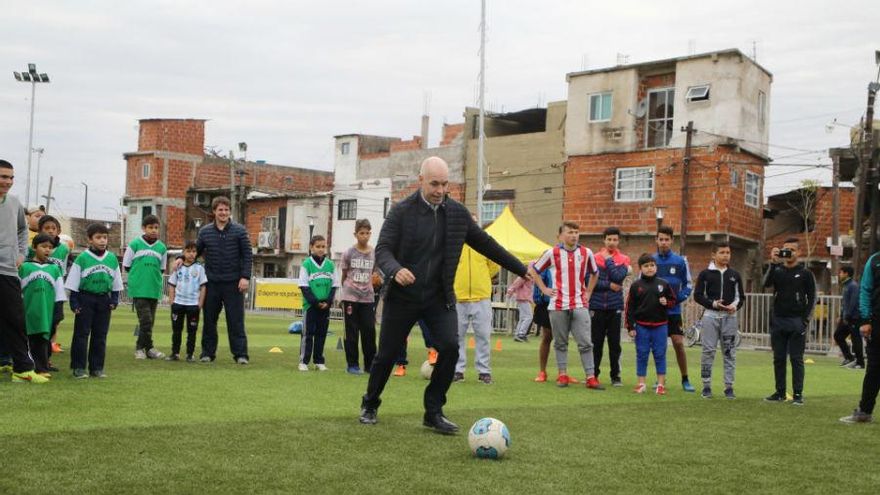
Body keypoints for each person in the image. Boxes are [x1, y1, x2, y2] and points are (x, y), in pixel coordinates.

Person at [359, 156, 527, 434]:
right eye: (434, 184)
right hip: (403, 297)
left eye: (444, 184)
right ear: (421, 180)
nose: (439, 190)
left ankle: (433, 411)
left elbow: (487, 244)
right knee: (386, 354)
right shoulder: (401, 212)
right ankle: (370, 403)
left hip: (439, 298)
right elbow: (383, 250)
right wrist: (395, 269)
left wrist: (521, 269)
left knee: (450, 347)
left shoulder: (457, 214)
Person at [529, 221, 604, 390]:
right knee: (560, 342)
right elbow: (534, 269)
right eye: (570, 232)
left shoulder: (586, 252)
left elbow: (595, 273)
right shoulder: (552, 253)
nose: (574, 235)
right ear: (561, 236)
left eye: (576, 232)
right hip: (557, 304)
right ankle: (562, 374)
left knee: (585, 342)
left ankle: (591, 377)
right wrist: (543, 288)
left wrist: (589, 292)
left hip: (579, 303)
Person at [0, 159, 48, 384]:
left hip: (8, 270)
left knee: (16, 320)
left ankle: (22, 369)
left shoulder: (14, 203)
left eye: (10, 177)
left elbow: (22, 228)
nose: (7, 182)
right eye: (3, 176)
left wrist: (20, 252)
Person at [196, 196, 252, 364]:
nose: (223, 213)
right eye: (220, 210)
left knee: (236, 321)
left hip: (234, 283)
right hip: (211, 283)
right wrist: (180, 258)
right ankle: (207, 353)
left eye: (226, 210)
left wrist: (245, 277)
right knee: (209, 320)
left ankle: (241, 355)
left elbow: (248, 255)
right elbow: (195, 251)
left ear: (230, 212)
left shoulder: (240, 230)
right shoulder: (205, 231)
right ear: (214, 212)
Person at [65, 223, 124, 379]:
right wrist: (74, 303)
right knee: (81, 335)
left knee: (100, 335)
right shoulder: (83, 258)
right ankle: (78, 367)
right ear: (90, 239)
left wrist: (114, 299)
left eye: (105, 237)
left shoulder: (111, 258)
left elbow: (116, 282)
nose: (102, 240)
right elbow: (73, 283)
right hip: (86, 298)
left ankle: (96, 368)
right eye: (98, 237)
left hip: (103, 299)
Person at [762, 237, 816, 406]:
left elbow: (812, 297)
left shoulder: (806, 273)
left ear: (799, 252)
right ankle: (780, 392)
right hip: (779, 320)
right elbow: (766, 284)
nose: (788, 253)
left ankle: (798, 394)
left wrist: (805, 320)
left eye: (792, 250)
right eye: (785, 249)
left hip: (796, 321)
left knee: (796, 359)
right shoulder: (777, 270)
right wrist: (772, 263)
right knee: (778, 358)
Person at [693, 241, 745, 399]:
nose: (725, 256)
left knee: (729, 352)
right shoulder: (705, 274)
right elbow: (698, 296)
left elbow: (740, 297)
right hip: (710, 317)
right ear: (713, 255)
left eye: (728, 252)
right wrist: (714, 304)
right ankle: (706, 385)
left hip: (730, 318)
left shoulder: (734, 275)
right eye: (722, 252)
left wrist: (734, 307)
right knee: (708, 351)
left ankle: (729, 387)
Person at [625, 253, 676, 395]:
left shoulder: (663, 284)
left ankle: (660, 384)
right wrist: (630, 326)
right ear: (640, 268)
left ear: (656, 266)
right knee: (642, 354)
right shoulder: (636, 286)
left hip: (660, 326)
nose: (649, 268)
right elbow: (629, 307)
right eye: (646, 266)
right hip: (642, 326)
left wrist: (667, 302)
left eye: (652, 265)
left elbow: (673, 301)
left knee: (660, 354)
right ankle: (641, 383)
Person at [839, 252, 880, 423]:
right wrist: (865, 320)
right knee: (874, 369)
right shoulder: (875, 260)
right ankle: (864, 411)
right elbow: (865, 290)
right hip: (877, 322)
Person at [654, 226, 695, 392]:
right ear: (656, 240)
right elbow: (642, 284)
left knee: (678, 343)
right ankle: (660, 380)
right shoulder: (651, 260)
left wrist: (674, 300)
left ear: (671, 241)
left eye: (666, 239)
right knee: (659, 346)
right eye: (661, 239)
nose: (663, 242)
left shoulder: (680, 261)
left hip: (674, 311)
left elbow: (688, 285)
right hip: (656, 312)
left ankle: (685, 379)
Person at [20, 233, 67, 376]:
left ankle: (42, 368)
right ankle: (27, 368)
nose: (47, 250)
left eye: (50, 247)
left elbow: (59, 292)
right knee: (27, 340)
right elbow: (18, 291)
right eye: (43, 246)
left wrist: (59, 312)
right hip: (28, 311)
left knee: (42, 339)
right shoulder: (25, 267)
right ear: (34, 247)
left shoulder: (54, 269)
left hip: (47, 311)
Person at [590, 226, 631, 387]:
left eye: (615, 239)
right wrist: (608, 285)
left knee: (615, 344)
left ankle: (616, 376)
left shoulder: (624, 259)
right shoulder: (593, 258)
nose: (612, 242)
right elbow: (589, 281)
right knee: (596, 343)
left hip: (615, 307)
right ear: (604, 240)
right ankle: (593, 375)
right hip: (596, 306)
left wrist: (608, 260)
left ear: (618, 241)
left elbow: (618, 277)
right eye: (609, 239)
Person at [123, 214, 168, 360]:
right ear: (144, 228)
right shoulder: (134, 244)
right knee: (146, 320)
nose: (154, 230)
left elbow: (161, 269)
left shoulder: (162, 248)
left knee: (150, 322)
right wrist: (139, 279)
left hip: (154, 289)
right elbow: (127, 265)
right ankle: (139, 348)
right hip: (139, 289)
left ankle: (149, 349)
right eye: (150, 227)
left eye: (156, 228)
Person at [453, 244, 498, 384]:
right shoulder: (455, 243)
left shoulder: (483, 243)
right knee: (457, 336)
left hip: (482, 297)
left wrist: (481, 278)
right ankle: (458, 370)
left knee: (483, 335)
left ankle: (484, 371)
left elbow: (494, 266)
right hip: (458, 296)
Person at [340, 219, 378, 375]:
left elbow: (376, 274)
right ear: (355, 234)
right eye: (361, 233)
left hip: (367, 297)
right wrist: (345, 293)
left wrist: (376, 281)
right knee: (352, 331)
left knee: (369, 330)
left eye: (367, 233)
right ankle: (352, 364)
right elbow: (344, 274)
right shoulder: (349, 253)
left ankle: (370, 365)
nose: (364, 236)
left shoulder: (374, 253)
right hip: (351, 297)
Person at [298, 235, 338, 372]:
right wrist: (315, 303)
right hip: (311, 306)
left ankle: (319, 361)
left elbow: (334, 286)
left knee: (321, 333)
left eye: (323, 246)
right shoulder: (306, 264)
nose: (321, 249)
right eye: (318, 246)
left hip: (325, 306)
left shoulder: (331, 265)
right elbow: (304, 286)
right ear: (311, 247)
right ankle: (304, 361)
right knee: (308, 334)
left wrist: (328, 302)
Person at [166, 241, 207, 362]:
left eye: (193, 251)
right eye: (188, 251)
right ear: (183, 252)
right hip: (178, 304)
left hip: (193, 305)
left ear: (197, 253)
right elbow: (172, 285)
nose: (191, 254)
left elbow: (203, 287)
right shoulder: (178, 267)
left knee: (192, 331)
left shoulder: (199, 268)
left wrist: (200, 304)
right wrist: (172, 301)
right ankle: (175, 353)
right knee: (176, 330)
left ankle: (190, 354)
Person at [36, 214, 70, 360]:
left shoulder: (64, 249)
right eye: (46, 228)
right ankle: (36, 355)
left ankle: (46, 357)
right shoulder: (34, 248)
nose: (50, 231)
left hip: (56, 291)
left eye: (53, 228)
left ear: (58, 230)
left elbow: (63, 270)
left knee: (55, 320)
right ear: (40, 230)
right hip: (39, 291)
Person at [833, 266, 863, 369]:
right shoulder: (846, 285)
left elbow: (853, 302)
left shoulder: (853, 285)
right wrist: (841, 316)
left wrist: (847, 315)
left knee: (856, 339)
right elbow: (845, 303)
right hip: (846, 317)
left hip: (853, 317)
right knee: (838, 335)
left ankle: (860, 362)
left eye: (841, 272)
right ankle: (849, 358)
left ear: (846, 274)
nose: (839, 274)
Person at [532, 261, 554, 382]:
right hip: (546, 303)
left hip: (565, 303)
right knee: (547, 336)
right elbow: (536, 274)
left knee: (563, 339)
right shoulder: (549, 256)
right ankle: (542, 371)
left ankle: (563, 372)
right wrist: (538, 297)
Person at [507, 272, 534, 343]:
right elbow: (515, 284)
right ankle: (521, 334)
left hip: (523, 298)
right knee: (529, 317)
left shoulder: (529, 277)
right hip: (523, 298)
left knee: (523, 318)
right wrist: (510, 292)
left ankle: (518, 334)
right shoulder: (524, 276)